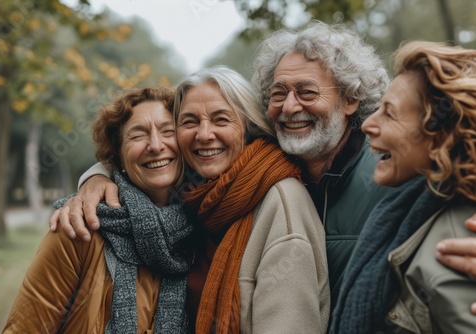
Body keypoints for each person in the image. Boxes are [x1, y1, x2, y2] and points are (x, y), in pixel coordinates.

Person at [51, 20, 476, 314]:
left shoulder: (391, 171)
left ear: (349, 101)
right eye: (278, 93)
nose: (290, 107)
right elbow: (149, 159)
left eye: (307, 92)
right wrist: (97, 178)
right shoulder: (249, 171)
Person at [53, 66, 331, 333]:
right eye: (189, 122)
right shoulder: (199, 196)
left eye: (221, 119)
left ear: (248, 127)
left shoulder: (281, 202)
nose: (204, 135)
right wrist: (95, 178)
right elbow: (135, 158)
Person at [4, 87, 193, 333]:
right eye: (137, 136)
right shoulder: (77, 227)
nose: (156, 145)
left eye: (168, 131)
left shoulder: (202, 228)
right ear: (116, 156)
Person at [330, 40, 476, 333]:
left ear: (438, 138)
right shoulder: (412, 209)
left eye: (390, 113)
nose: (369, 124)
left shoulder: (452, 243)